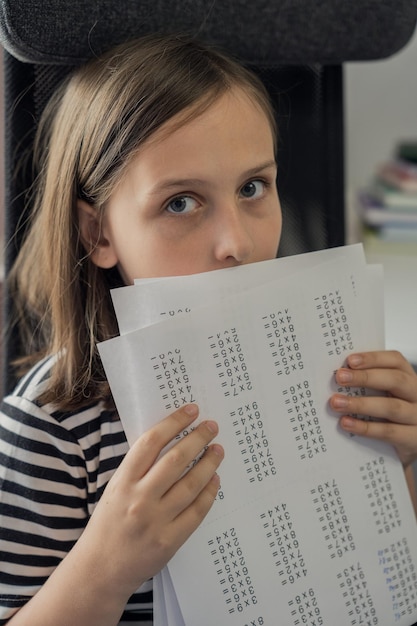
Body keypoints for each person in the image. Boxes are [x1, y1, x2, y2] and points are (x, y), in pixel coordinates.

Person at [0, 33, 416, 626]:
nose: (237, 244)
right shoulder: (53, 425)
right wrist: (108, 564)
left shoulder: (331, 368)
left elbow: (388, 583)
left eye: (253, 188)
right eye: (180, 203)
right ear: (98, 235)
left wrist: (396, 464)